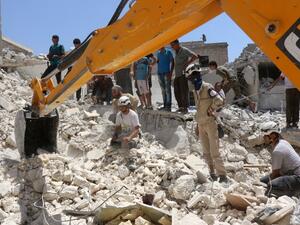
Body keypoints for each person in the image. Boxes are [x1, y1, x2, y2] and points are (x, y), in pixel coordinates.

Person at [185, 63, 228, 182]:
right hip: (201, 124)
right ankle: (212, 173)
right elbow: (199, 108)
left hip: (210, 123)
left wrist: (212, 109)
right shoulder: (196, 90)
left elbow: (219, 100)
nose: (191, 80)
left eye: (191, 78)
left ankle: (223, 175)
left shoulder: (207, 87)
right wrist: (197, 125)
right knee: (206, 151)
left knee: (214, 151)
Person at [260, 125, 300, 197]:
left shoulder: (277, 151)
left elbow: (275, 174)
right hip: (291, 173)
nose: (263, 138)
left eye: (265, 136)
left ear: (272, 135)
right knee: (263, 181)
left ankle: (295, 194)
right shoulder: (283, 142)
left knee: (271, 186)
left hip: (297, 177)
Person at [170, 39, 198, 114]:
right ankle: (181, 107)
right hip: (177, 74)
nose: (172, 47)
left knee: (183, 91)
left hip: (183, 74)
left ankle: (185, 108)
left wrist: (187, 63)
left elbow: (195, 56)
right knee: (177, 91)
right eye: (171, 46)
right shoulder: (175, 52)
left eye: (173, 45)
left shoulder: (184, 50)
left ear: (177, 44)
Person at [156, 47, 174, 111]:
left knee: (167, 90)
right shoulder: (158, 53)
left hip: (167, 73)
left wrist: (171, 72)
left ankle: (169, 105)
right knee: (163, 90)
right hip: (160, 73)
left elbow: (172, 62)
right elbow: (158, 62)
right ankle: (165, 104)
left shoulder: (168, 52)